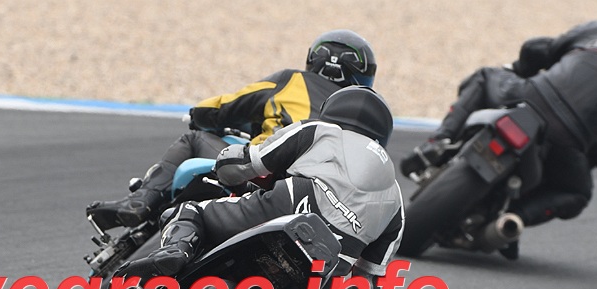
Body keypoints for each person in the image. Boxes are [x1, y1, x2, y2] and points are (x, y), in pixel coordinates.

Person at [120, 86, 404, 289]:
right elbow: (371, 281)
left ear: (332, 112)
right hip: (329, 264)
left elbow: (247, 162)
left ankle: (177, 251)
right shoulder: (396, 197)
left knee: (191, 211)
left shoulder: (319, 130)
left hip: (289, 205)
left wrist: (223, 168)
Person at [402, 10, 597, 258]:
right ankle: (514, 218)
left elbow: (534, 49)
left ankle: (438, 142)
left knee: (484, 77)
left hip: (527, 96)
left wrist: (522, 69)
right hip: (567, 137)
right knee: (577, 193)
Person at [86, 30, 378, 231]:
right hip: (321, 204)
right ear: (363, 76)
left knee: (193, 139)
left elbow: (229, 105)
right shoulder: (365, 119)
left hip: (263, 170)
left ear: (315, 59)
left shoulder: (292, 81)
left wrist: (199, 115)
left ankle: (141, 201)